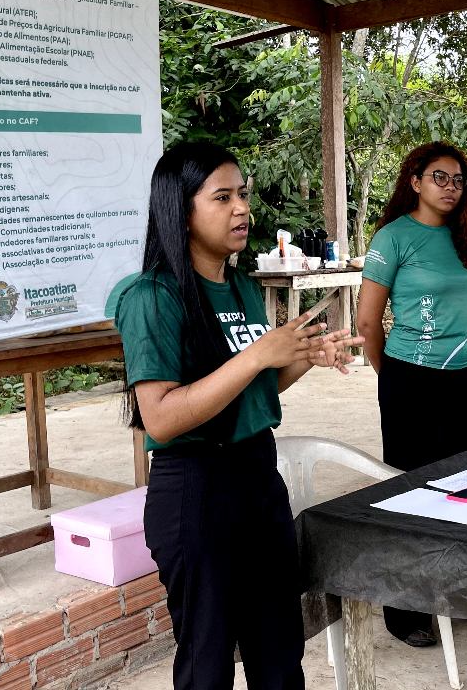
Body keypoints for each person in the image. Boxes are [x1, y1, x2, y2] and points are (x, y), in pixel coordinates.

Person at [115, 142, 362, 690]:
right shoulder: (151, 297)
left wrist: (300, 359)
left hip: (258, 481)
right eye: (222, 197)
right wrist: (256, 354)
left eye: (243, 194)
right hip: (197, 492)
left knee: (278, 653)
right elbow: (160, 418)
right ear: (180, 210)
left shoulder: (244, 289)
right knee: (207, 663)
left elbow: (252, 391)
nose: (241, 209)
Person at [357, 141, 467, 648]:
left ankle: (458, 594)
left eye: (459, 180)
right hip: (410, 377)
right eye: (440, 177)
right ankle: (404, 609)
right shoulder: (393, 239)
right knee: (410, 493)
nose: (451, 187)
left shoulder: (465, 238)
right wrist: (392, 379)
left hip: (466, 377)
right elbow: (368, 322)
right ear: (414, 181)